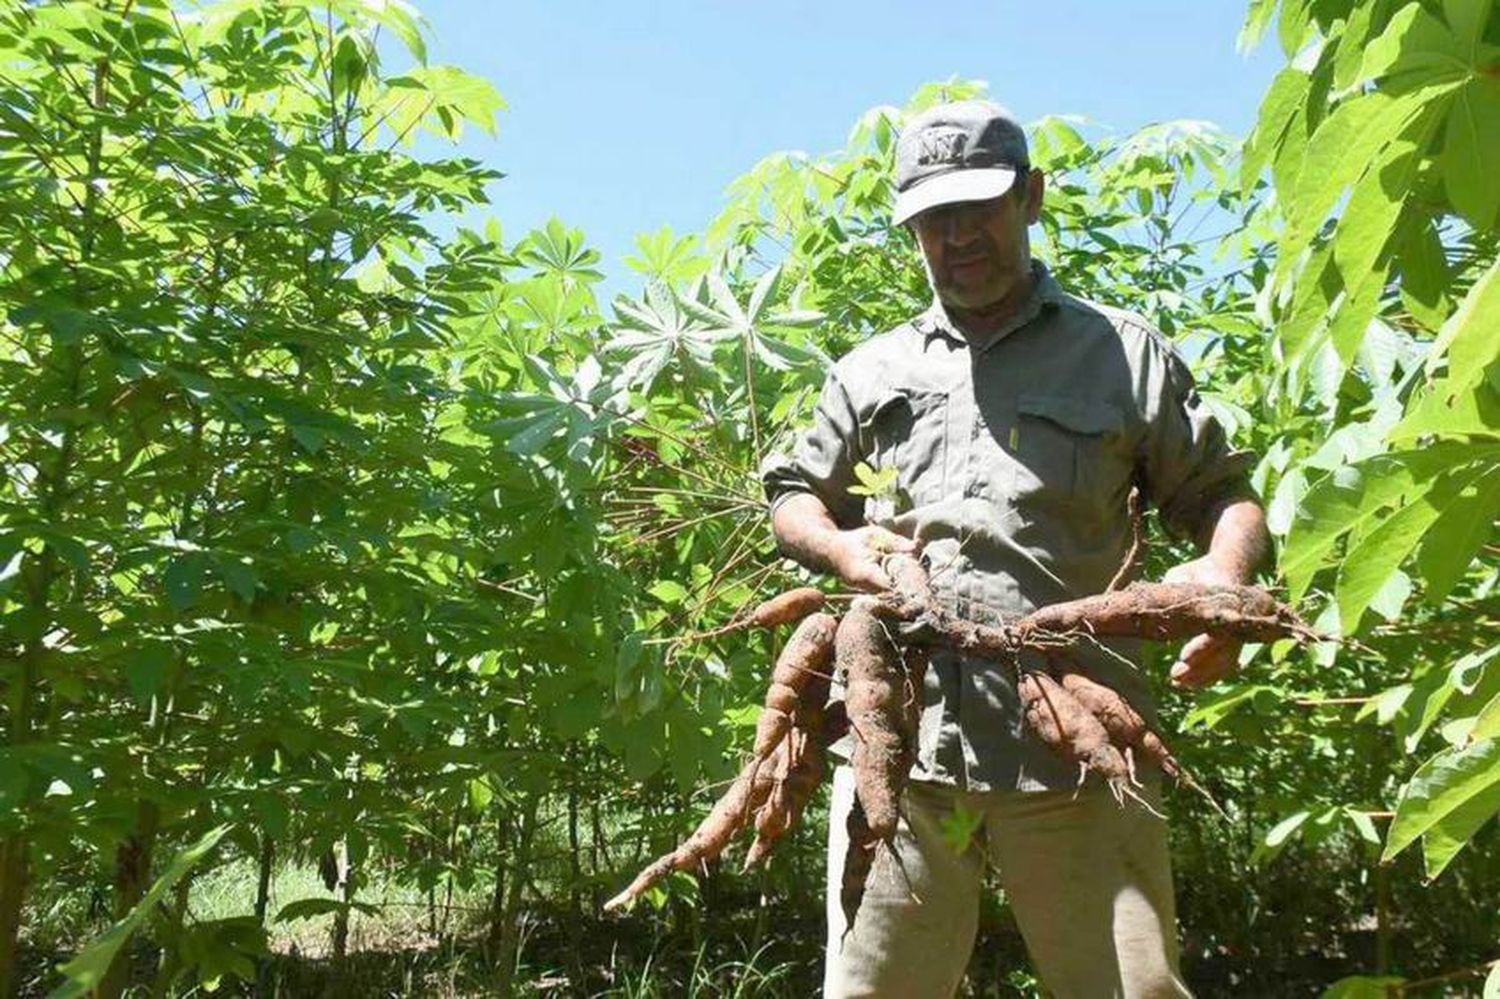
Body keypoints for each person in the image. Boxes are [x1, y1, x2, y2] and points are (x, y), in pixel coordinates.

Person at [760, 100, 1269, 998]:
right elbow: (793, 495)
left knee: (1134, 988)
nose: (956, 238)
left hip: (1079, 748)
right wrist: (840, 549)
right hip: (903, 752)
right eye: (931, 220)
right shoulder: (870, 370)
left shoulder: (1122, 356)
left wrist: (1222, 581)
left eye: (978, 210)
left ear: (1031, 198)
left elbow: (1225, 493)